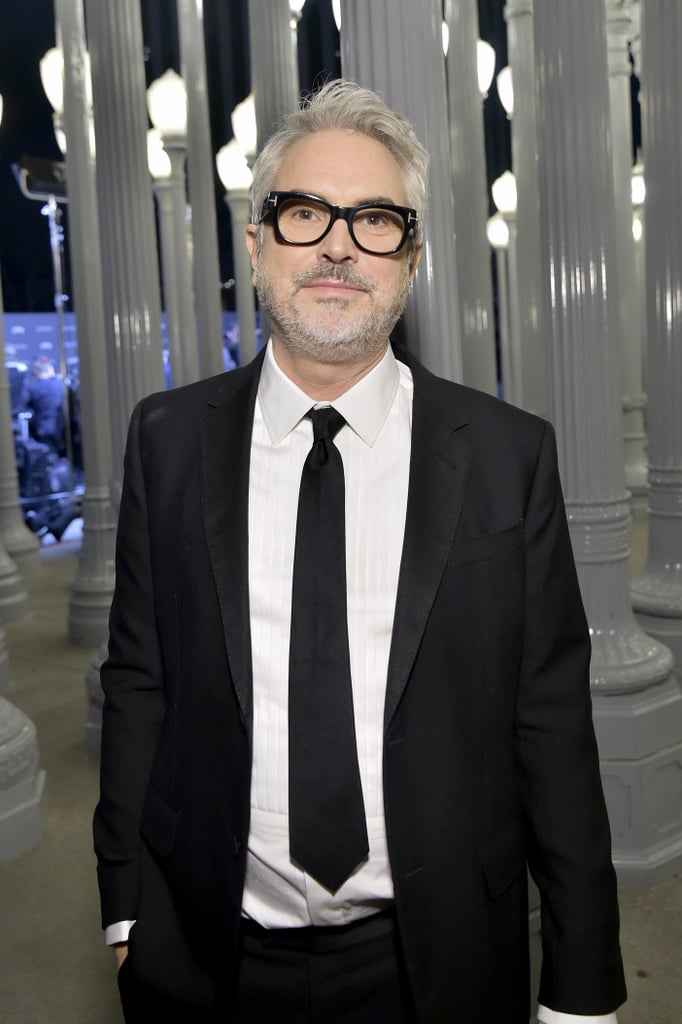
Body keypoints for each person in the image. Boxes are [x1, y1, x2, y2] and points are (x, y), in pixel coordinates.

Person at [94, 80, 626, 1024]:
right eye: (304, 214)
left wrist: (581, 986)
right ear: (256, 247)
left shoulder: (508, 455)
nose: (338, 244)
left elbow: (551, 730)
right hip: (203, 948)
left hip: (438, 959)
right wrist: (126, 906)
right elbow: (140, 678)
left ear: (410, 260)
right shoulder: (167, 439)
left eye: (375, 219)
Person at [24, 355, 65, 454]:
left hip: (41, 429)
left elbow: (23, 405)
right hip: (61, 428)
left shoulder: (31, 387)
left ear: (36, 372)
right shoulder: (60, 384)